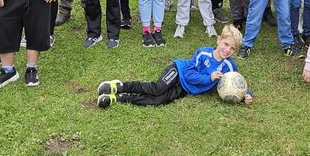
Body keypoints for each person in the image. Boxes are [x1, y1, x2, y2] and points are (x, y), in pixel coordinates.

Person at [96, 25, 252, 108]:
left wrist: (246, 94)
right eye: (226, 44)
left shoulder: (228, 66)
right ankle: (120, 86)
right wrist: (208, 78)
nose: (227, 50)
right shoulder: (203, 53)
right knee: (157, 89)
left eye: (232, 49)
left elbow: (237, 81)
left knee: (159, 101)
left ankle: (120, 98)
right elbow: (190, 74)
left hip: (185, 89)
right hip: (179, 72)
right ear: (218, 40)